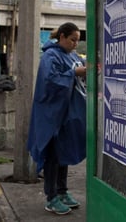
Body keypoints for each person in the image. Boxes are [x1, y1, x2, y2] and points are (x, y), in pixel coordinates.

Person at [27, 22, 87, 215]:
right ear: (62, 37)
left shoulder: (73, 56)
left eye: (77, 41)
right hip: (52, 116)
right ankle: (51, 197)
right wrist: (72, 73)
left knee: (64, 154)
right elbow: (50, 81)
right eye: (72, 40)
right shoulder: (50, 56)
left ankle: (62, 191)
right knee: (53, 156)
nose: (75, 44)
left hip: (67, 116)